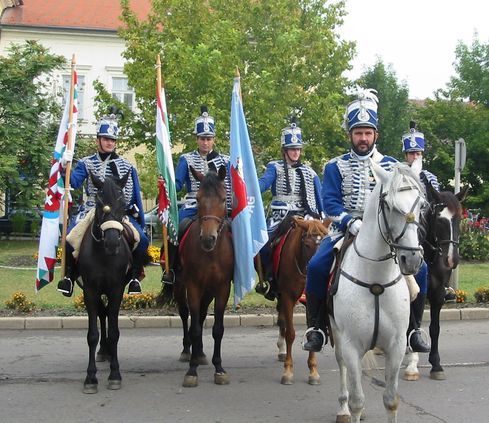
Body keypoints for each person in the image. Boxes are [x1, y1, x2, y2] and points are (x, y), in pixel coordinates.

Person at [303, 88, 398, 352]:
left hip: (382, 231)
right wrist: (348, 221)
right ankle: (317, 327)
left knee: (420, 268)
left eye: (368, 133)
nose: (363, 138)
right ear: (350, 135)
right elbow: (330, 202)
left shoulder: (391, 165)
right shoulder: (335, 166)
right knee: (317, 267)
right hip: (345, 229)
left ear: (375, 135)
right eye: (358, 133)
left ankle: (413, 328)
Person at [57, 114, 149, 297]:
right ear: (98, 140)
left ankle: (134, 278)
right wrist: (63, 166)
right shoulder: (86, 162)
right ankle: (69, 276)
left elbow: (130, 193)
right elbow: (73, 183)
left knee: (142, 240)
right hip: (92, 209)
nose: (110, 143)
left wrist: (119, 209)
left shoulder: (126, 166)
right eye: (106, 139)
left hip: (117, 211)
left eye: (113, 140)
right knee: (70, 237)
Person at [161, 106, 231, 284]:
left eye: (208, 139)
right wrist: (165, 185)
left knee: (237, 234)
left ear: (213, 140)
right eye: (202, 139)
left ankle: (235, 271)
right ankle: (172, 269)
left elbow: (229, 187)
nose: (205, 143)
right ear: (197, 139)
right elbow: (177, 184)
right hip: (193, 203)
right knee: (175, 231)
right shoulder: (186, 159)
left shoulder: (225, 160)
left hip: (217, 207)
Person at [256, 119, 323, 301]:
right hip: (281, 216)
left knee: (319, 244)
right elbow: (262, 184)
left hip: (305, 215)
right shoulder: (274, 167)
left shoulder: (310, 172)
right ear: (285, 150)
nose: (296, 152)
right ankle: (269, 280)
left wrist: (322, 218)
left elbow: (319, 197)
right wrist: (250, 185)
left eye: (298, 149)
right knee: (263, 244)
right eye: (292, 149)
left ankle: (319, 281)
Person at [402, 121, 439, 352]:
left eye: (417, 153)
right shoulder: (401, 174)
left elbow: (435, 205)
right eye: (411, 153)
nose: (414, 156)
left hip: (424, 228)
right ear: (405, 155)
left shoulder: (430, 177)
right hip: (406, 229)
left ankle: (416, 327)